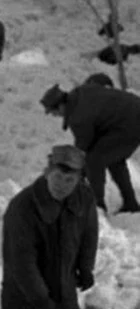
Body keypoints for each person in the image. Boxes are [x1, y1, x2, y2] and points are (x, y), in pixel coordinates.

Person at [0, 144, 98, 309]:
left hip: (62, 279)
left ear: (79, 179)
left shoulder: (84, 198)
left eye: (69, 179)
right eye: (57, 177)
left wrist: (85, 267)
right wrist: (40, 298)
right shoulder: (22, 207)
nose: (62, 185)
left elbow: (89, 233)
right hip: (23, 286)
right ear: (47, 172)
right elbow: (21, 261)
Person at [41, 81, 140, 212]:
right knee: (114, 160)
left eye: (53, 112)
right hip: (131, 115)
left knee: (94, 161)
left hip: (130, 125)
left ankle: (97, 206)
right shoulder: (80, 93)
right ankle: (131, 203)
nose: (55, 116)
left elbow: (82, 149)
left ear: (60, 106)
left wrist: (69, 171)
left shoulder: (78, 116)